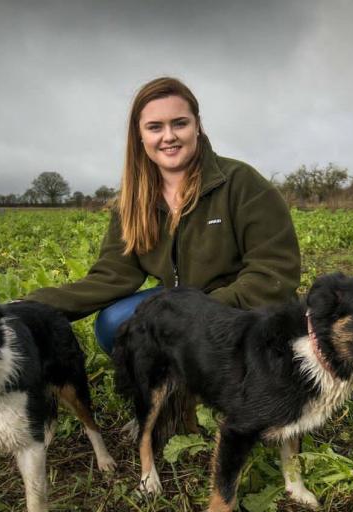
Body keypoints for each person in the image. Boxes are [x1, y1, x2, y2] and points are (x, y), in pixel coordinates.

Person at [27, 77, 300, 353]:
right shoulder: (133, 201)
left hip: (241, 306)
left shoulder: (242, 183)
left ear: (197, 126)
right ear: (140, 135)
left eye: (179, 123)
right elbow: (111, 276)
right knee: (113, 324)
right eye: (155, 127)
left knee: (236, 348)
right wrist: (30, 307)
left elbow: (272, 274)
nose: (168, 136)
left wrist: (198, 312)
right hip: (183, 302)